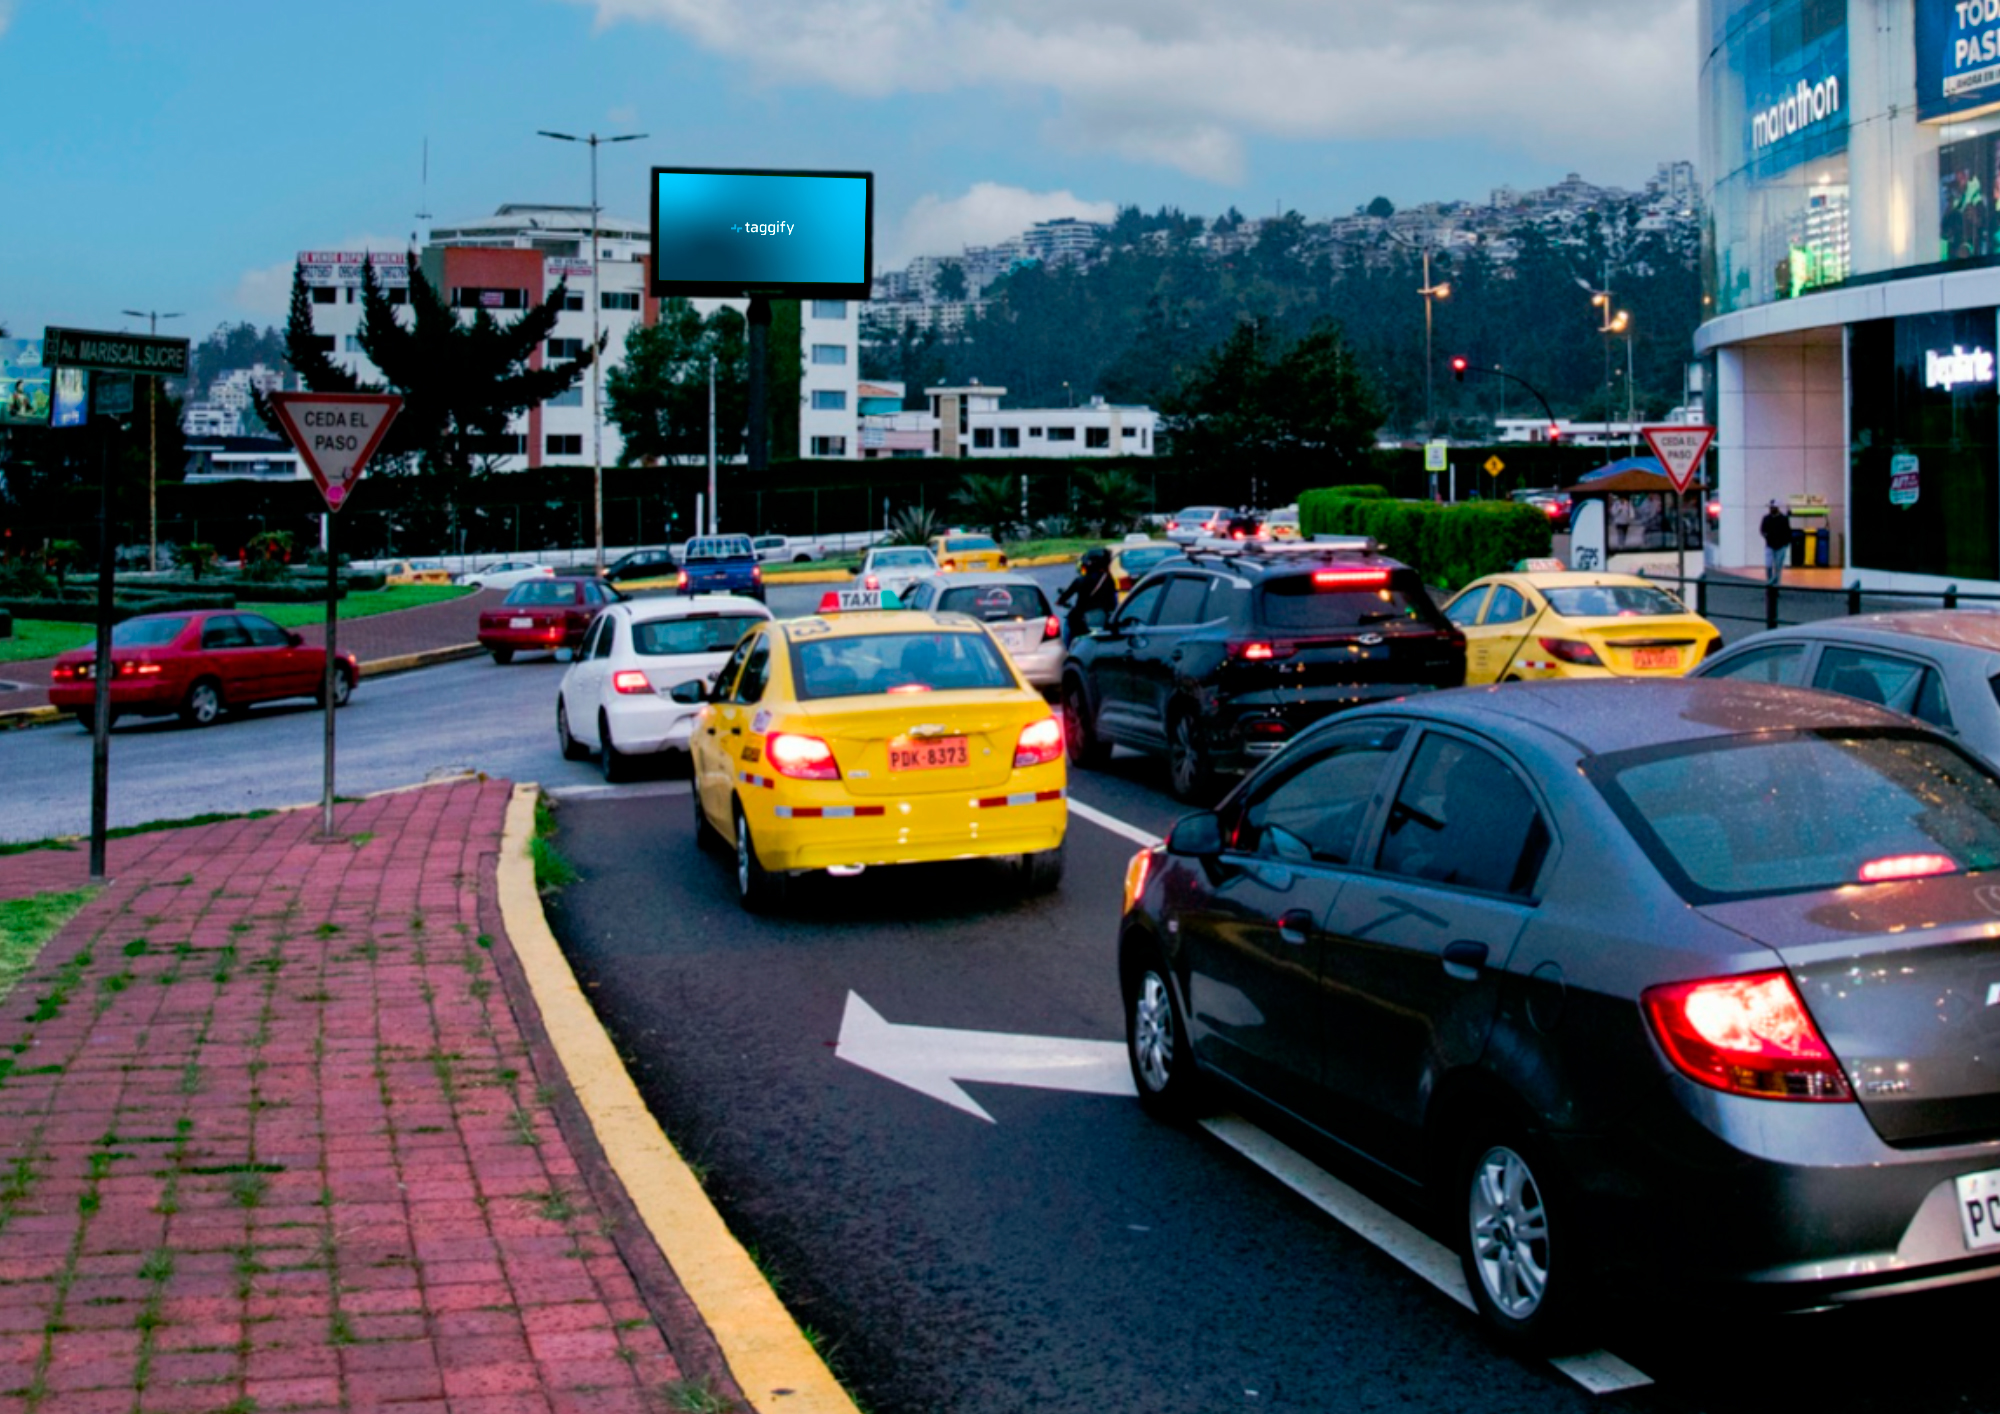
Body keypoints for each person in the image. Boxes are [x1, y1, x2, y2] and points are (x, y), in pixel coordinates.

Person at [1057, 548, 1117, 646]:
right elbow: (1113, 601)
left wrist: (1061, 601)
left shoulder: (1080, 580)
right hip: (1104, 619)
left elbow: (1063, 598)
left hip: (1082, 621)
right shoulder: (1108, 579)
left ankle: (1068, 650)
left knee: (1069, 626)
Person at [1760, 499, 1791, 584]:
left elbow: (1787, 531)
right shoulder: (1766, 518)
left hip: (1780, 546)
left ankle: (1776, 584)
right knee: (1769, 565)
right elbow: (1762, 530)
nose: (1770, 509)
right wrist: (1765, 535)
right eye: (1770, 507)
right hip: (1770, 545)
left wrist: (1785, 543)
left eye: (1772, 507)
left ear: (1777, 508)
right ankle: (1770, 581)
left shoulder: (1783, 519)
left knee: (1778, 567)